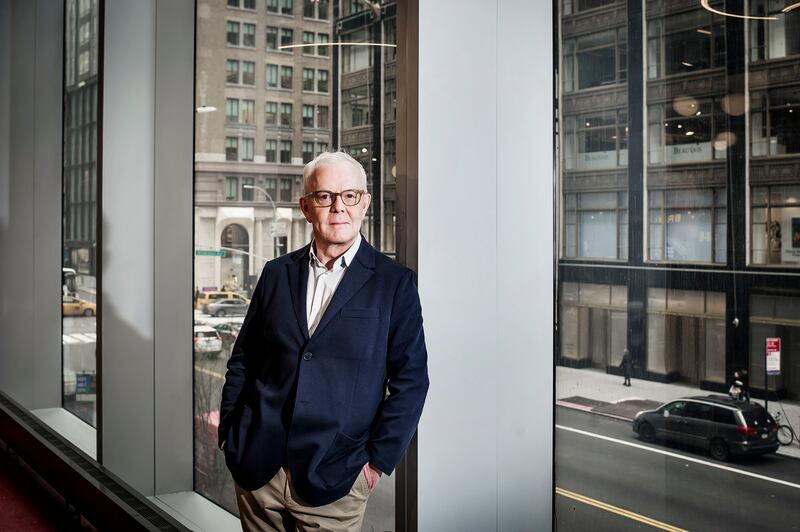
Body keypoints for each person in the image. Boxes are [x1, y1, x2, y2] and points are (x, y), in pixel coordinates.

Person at [218, 151, 429, 531]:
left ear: (364, 203)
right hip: (257, 470)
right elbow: (244, 359)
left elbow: (411, 382)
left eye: (350, 196)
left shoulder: (393, 283)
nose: (338, 207)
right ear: (305, 206)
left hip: (337, 478)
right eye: (325, 196)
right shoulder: (275, 274)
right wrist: (231, 434)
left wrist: (376, 463)